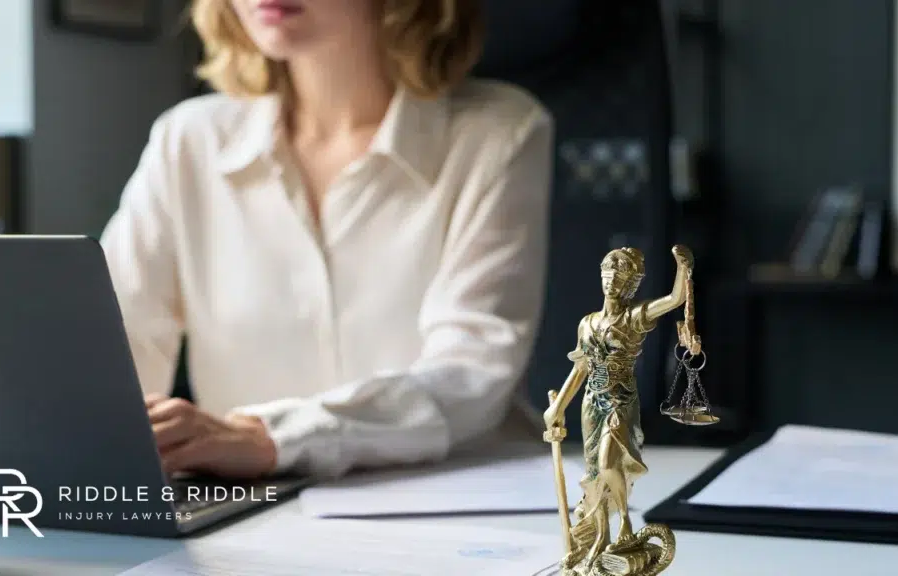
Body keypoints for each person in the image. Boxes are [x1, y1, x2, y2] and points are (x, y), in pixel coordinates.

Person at [99, 0, 553, 481]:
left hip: (462, 502)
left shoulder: (499, 132)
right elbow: (111, 341)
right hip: (256, 509)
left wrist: (275, 437)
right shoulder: (188, 139)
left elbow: (472, 372)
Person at [542, 246, 692, 570]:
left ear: (629, 285)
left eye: (619, 278)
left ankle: (624, 522)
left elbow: (675, 299)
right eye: (607, 276)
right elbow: (580, 370)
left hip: (621, 401)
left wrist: (684, 268)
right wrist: (558, 409)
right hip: (590, 405)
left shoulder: (633, 318)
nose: (611, 283)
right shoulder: (587, 324)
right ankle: (600, 538)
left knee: (611, 462)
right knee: (595, 475)